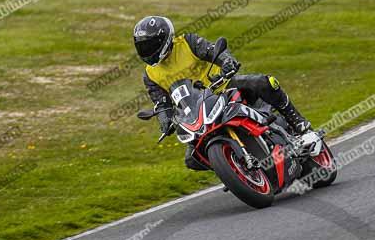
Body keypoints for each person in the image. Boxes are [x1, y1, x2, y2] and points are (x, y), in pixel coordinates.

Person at [133, 15, 311, 171]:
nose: (147, 51)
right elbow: (162, 102)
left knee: (263, 82)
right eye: (142, 47)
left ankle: (297, 122)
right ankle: (233, 166)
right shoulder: (150, 75)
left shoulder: (187, 42)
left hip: (222, 88)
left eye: (150, 45)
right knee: (192, 159)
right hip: (195, 112)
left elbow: (213, 51)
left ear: (164, 39)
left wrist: (227, 62)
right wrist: (165, 120)